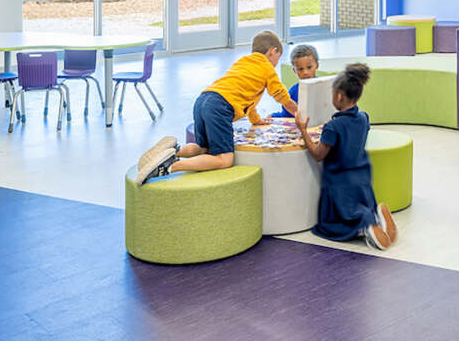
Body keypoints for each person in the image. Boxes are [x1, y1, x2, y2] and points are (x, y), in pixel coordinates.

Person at [135, 30, 298, 184]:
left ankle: (172, 151)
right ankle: (169, 166)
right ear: (273, 51)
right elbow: (281, 95)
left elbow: (245, 97)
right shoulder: (267, 68)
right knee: (224, 159)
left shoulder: (243, 62)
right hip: (220, 106)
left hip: (203, 99)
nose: (276, 63)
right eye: (278, 58)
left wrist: (256, 120)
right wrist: (298, 111)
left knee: (202, 148)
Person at [296, 63, 397, 250]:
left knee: (333, 224)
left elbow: (318, 155)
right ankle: (374, 216)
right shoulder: (364, 117)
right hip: (362, 176)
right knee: (360, 206)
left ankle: (364, 226)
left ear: (339, 96)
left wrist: (303, 130)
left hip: (340, 180)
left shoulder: (333, 127)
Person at [270, 44, 319, 118]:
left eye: (309, 67)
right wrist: (273, 116)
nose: (305, 72)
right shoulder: (293, 92)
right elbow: (286, 115)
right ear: (294, 71)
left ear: (317, 66)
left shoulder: (326, 87)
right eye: (300, 69)